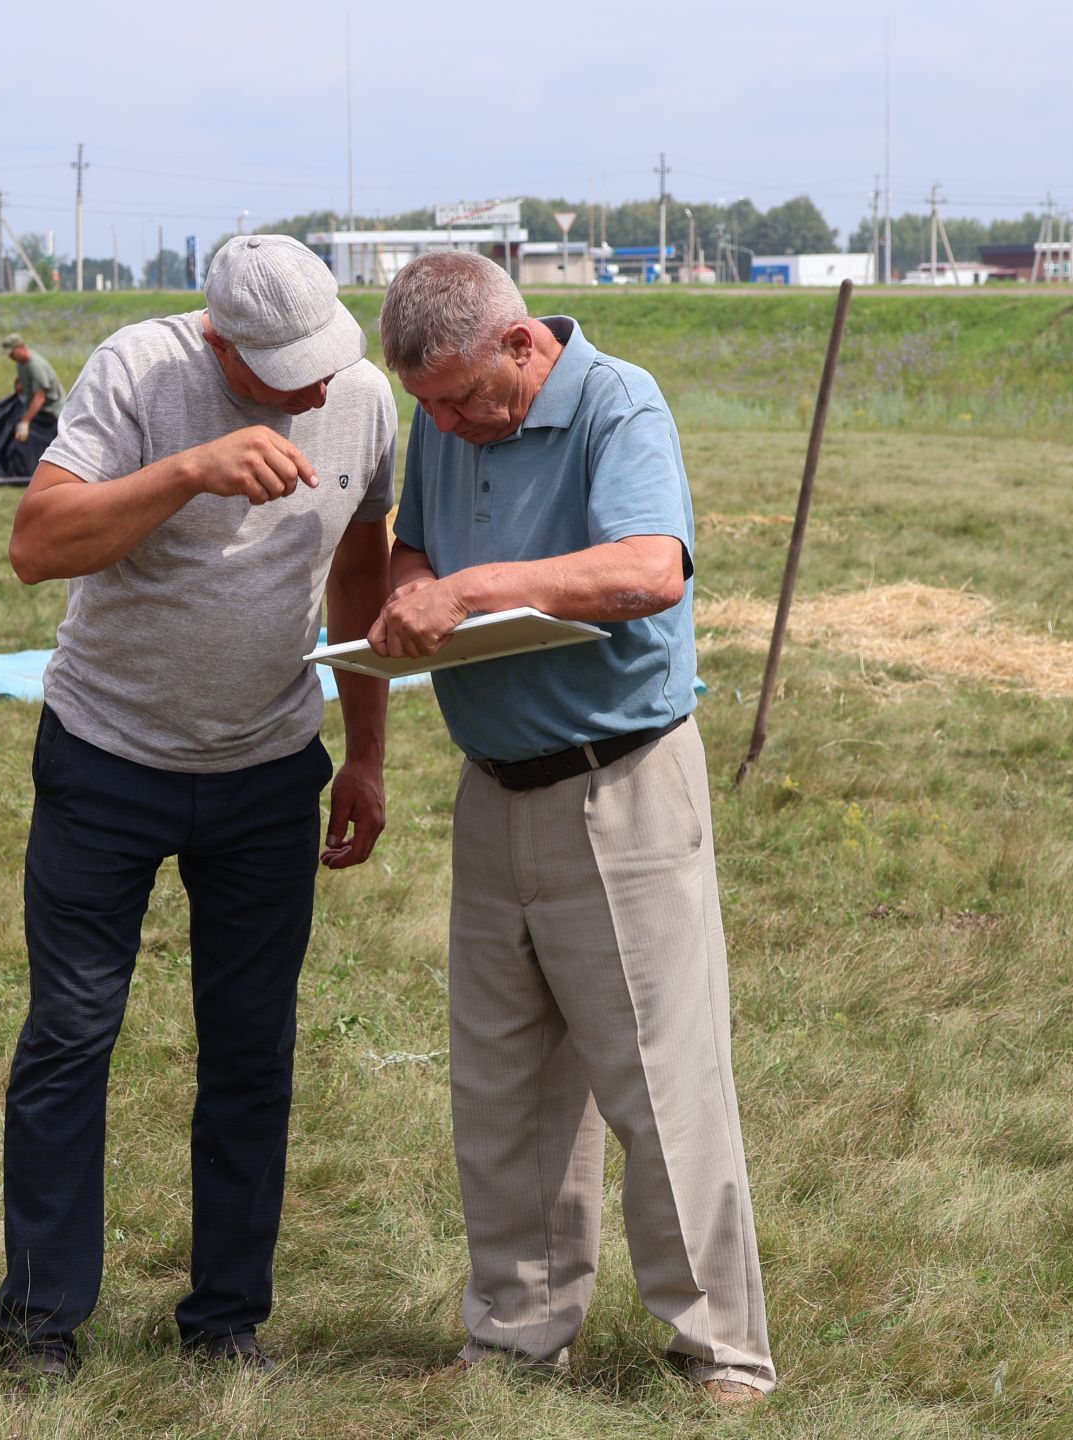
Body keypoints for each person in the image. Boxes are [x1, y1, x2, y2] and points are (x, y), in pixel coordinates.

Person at [369, 251, 777, 1406]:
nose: (445, 421)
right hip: (493, 789)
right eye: (427, 406)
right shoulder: (443, 414)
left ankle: (722, 1353)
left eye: (461, 397)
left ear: (521, 344)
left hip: (621, 786)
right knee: (501, 1087)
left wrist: (473, 592)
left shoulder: (619, 402)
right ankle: (512, 1335)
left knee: (660, 1080)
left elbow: (652, 569)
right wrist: (410, 589)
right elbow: (417, 546)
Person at [0, 236, 396, 1382]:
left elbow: (362, 577)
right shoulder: (139, 371)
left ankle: (225, 1323)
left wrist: (363, 754)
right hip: (106, 760)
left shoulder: (360, 399)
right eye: (288, 370)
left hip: (270, 770)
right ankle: (39, 1324)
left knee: (252, 1051)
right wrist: (187, 472)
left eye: (327, 357)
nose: (316, 388)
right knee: (72, 1035)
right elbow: (36, 546)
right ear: (221, 341)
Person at [0, 332, 63, 448]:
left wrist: (25, 422)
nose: (10, 357)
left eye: (12, 353)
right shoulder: (21, 362)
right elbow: (24, 378)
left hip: (51, 415)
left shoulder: (35, 366)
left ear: (20, 347)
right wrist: (19, 383)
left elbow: (40, 397)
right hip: (39, 412)